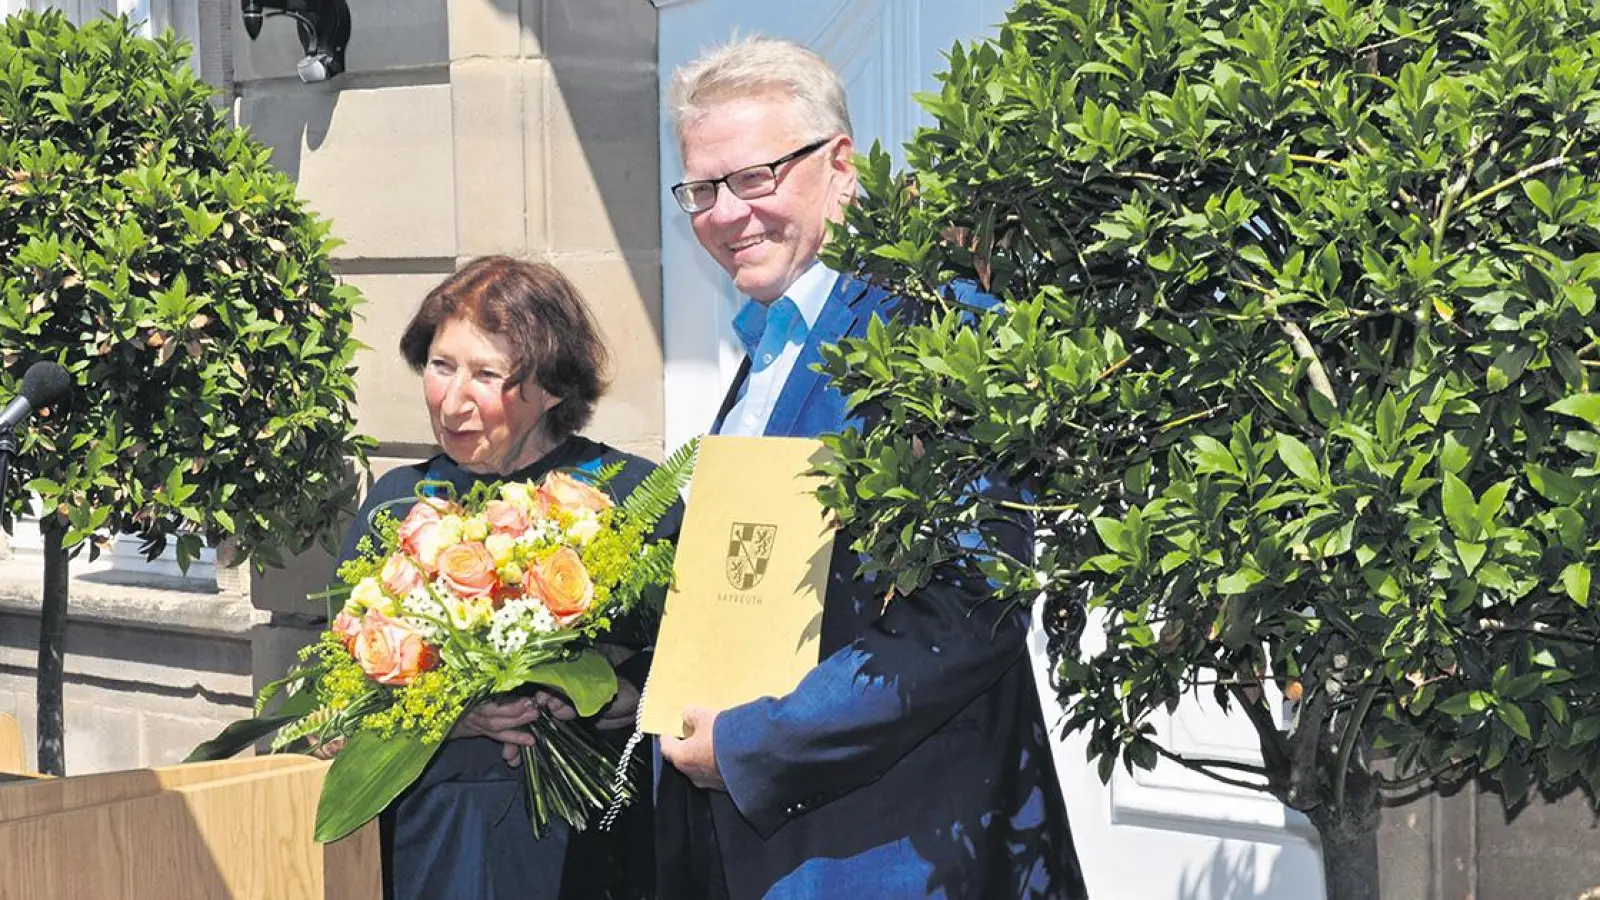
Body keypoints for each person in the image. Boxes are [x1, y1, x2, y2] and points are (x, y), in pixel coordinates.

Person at [655, 36, 1089, 900]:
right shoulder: (768, 348)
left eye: (754, 178)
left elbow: (970, 613)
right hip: (773, 855)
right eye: (702, 189)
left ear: (841, 165)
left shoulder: (937, 329)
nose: (725, 213)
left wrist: (752, 747)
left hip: (902, 853)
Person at [334, 255, 661, 900]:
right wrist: (453, 713)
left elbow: (696, 664)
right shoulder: (400, 503)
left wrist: (608, 692)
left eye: (486, 374)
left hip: (587, 843)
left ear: (552, 388)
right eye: (440, 365)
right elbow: (342, 689)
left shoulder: (627, 496)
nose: (452, 400)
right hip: (433, 837)